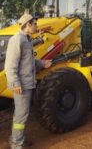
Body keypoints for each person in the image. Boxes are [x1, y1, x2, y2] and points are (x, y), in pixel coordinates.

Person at [5, 10, 52, 149]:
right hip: (22, 85)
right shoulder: (17, 40)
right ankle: (17, 144)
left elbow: (29, 61)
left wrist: (43, 63)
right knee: (21, 115)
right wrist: (15, 83)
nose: (36, 26)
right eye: (34, 24)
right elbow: (10, 65)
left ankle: (15, 139)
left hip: (27, 83)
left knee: (20, 114)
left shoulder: (27, 39)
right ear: (27, 25)